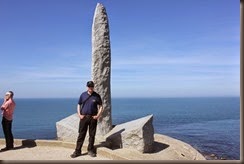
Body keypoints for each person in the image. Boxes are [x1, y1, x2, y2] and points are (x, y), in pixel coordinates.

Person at [70, 81, 103, 158]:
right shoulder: (83, 95)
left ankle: (90, 150)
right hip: (84, 118)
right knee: (81, 135)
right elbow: (79, 104)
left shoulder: (97, 96)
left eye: (91, 86)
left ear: (93, 87)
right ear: (87, 87)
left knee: (92, 135)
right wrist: (79, 114)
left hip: (93, 118)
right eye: (89, 86)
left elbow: (101, 106)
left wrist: (98, 115)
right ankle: (77, 151)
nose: (90, 88)